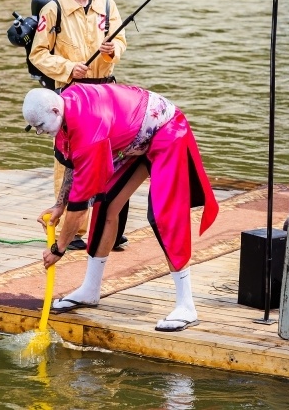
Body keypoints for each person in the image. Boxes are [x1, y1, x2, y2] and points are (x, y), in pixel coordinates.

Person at [22, 84, 219, 332]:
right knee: (106, 205)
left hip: (167, 129)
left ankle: (187, 305)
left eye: (41, 126)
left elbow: (80, 208)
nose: (40, 132)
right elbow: (72, 164)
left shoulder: (88, 129)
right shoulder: (64, 108)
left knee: (163, 216)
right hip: (135, 138)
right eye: (35, 128)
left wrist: (58, 249)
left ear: (54, 110)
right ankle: (90, 290)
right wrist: (59, 204)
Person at [28, 0, 128, 251]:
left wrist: (112, 52)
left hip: (106, 92)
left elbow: (121, 41)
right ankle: (72, 230)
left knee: (113, 157)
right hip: (72, 95)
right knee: (69, 160)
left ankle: (108, 226)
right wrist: (69, 68)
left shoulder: (108, 5)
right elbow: (38, 55)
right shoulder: (53, 10)